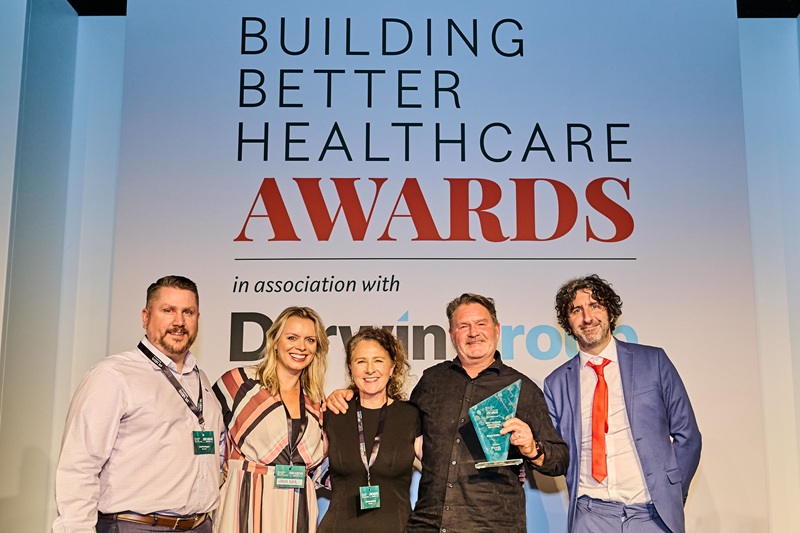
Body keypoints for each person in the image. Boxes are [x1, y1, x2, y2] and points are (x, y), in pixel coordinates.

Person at [326, 293, 568, 533]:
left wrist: (532, 449)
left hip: (493, 526)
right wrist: (350, 394)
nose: (473, 332)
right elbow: (391, 422)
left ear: (497, 329)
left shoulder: (522, 388)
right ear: (452, 335)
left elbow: (560, 461)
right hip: (429, 525)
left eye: (481, 324)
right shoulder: (432, 381)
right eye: (463, 326)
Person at [52, 275, 223, 532]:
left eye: (188, 312)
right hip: (135, 526)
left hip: (199, 526)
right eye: (168, 311)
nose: (179, 321)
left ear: (198, 319)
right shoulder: (113, 375)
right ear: (145, 317)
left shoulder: (201, 380)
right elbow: (80, 465)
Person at [544, 274, 702, 533]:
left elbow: (689, 437)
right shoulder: (556, 383)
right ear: (568, 322)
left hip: (651, 515)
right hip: (590, 515)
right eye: (576, 310)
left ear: (610, 312)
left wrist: (670, 494)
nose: (587, 317)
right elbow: (555, 453)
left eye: (595, 305)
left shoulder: (654, 361)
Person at [212, 306, 328, 533]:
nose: (301, 347)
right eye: (292, 337)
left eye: (310, 340)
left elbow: (326, 464)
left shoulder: (317, 400)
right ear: (275, 341)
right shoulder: (240, 383)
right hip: (245, 500)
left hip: (297, 507)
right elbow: (204, 433)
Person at [318, 327, 422, 533]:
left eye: (378, 360)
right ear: (350, 368)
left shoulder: (411, 416)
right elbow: (305, 463)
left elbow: (441, 469)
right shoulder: (333, 414)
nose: (370, 369)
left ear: (392, 367)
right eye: (361, 361)